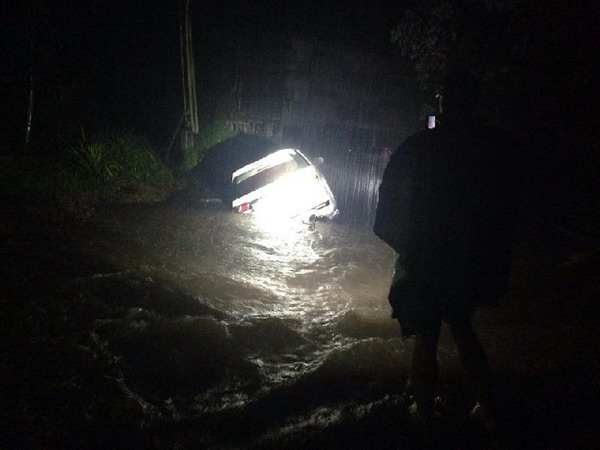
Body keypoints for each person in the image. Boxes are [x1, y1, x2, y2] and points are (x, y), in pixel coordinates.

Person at [374, 71, 521, 440]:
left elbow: (387, 206)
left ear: (443, 103)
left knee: (426, 336)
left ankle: (424, 413)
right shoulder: (491, 152)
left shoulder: (418, 147)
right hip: (464, 261)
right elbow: (506, 211)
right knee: (463, 328)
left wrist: (405, 246)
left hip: (424, 257)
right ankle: (487, 408)